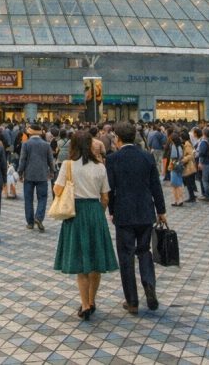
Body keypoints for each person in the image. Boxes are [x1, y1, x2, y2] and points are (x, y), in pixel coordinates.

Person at [53, 131, 117, 320]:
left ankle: (85, 304)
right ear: (90, 145)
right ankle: (92, 299)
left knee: (81, 263)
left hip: (76, 212)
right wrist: (99, 211)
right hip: (95, 211)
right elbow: (105, 196)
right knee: (96, 259)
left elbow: (57, 189)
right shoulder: (100, 167)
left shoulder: (68, 165)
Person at [106, 122, 166, 315]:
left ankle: (132, 301)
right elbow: (156, 186)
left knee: (126, 256)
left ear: (118, 138)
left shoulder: (113, 159)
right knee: (144, 250)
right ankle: (149, 285)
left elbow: (111, 188)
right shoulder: (147, 157)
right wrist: (161, 210)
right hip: (145, 211)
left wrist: (112, 210)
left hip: (124, 212)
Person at [18, 123, 55, 232]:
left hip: (29, 174)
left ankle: (30, 223)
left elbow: (22, 160)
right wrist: (52, 171)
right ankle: (38, 217)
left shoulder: (26, 144)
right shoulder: (46, 144)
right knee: (42, 198)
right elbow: (50, 160)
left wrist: (20, 173)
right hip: (43, 174)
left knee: (28, 198)